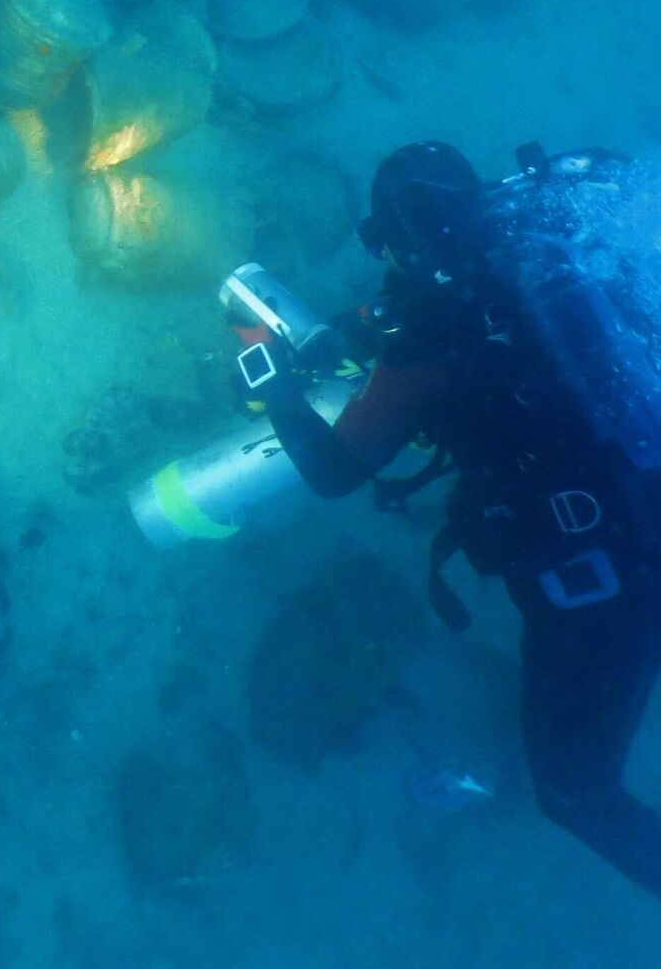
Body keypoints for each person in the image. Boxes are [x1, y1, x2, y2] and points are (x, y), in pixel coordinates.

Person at [259, 140, 661, 899]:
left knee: (576, 793)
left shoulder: (434, 331)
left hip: (606, 594)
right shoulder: (562, 241)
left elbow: (337, 470)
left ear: (395, 238)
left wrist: (273, 383)